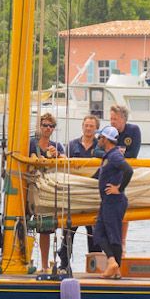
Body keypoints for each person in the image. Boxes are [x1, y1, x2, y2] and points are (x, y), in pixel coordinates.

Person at [58, 113, 102, 272]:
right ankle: (64, 264)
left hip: (92, 195)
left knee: (95, 234)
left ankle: (96, 266)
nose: (88, 128)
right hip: (75, 195)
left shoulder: (100, 146)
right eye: (86, 125)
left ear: (96, 129)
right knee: (69, 231)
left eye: (92, 126)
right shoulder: (72, 145)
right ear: (82, 126)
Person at [93, 127, 133, 277]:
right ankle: (113, 264)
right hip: (108, 201)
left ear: (105, 139)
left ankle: (115, 267)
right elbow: (99, 175)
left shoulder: (115, 155)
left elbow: (129, 170)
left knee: (113, 235)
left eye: (100, 138)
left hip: (114, 201)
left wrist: (119, 188)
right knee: (99, 233)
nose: (98, 141)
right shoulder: (108, 155)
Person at [28, 113, 64, 274]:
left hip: (48, 190)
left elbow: (65, 161)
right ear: (40, 127)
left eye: (51, 126)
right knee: (23, 225)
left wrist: (57, 155)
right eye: (45, 125)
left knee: (45, 228)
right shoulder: (31, 143)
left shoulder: (56, 146)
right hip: (31, 189)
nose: (48, 128)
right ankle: (26, 260)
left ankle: (44, 265)